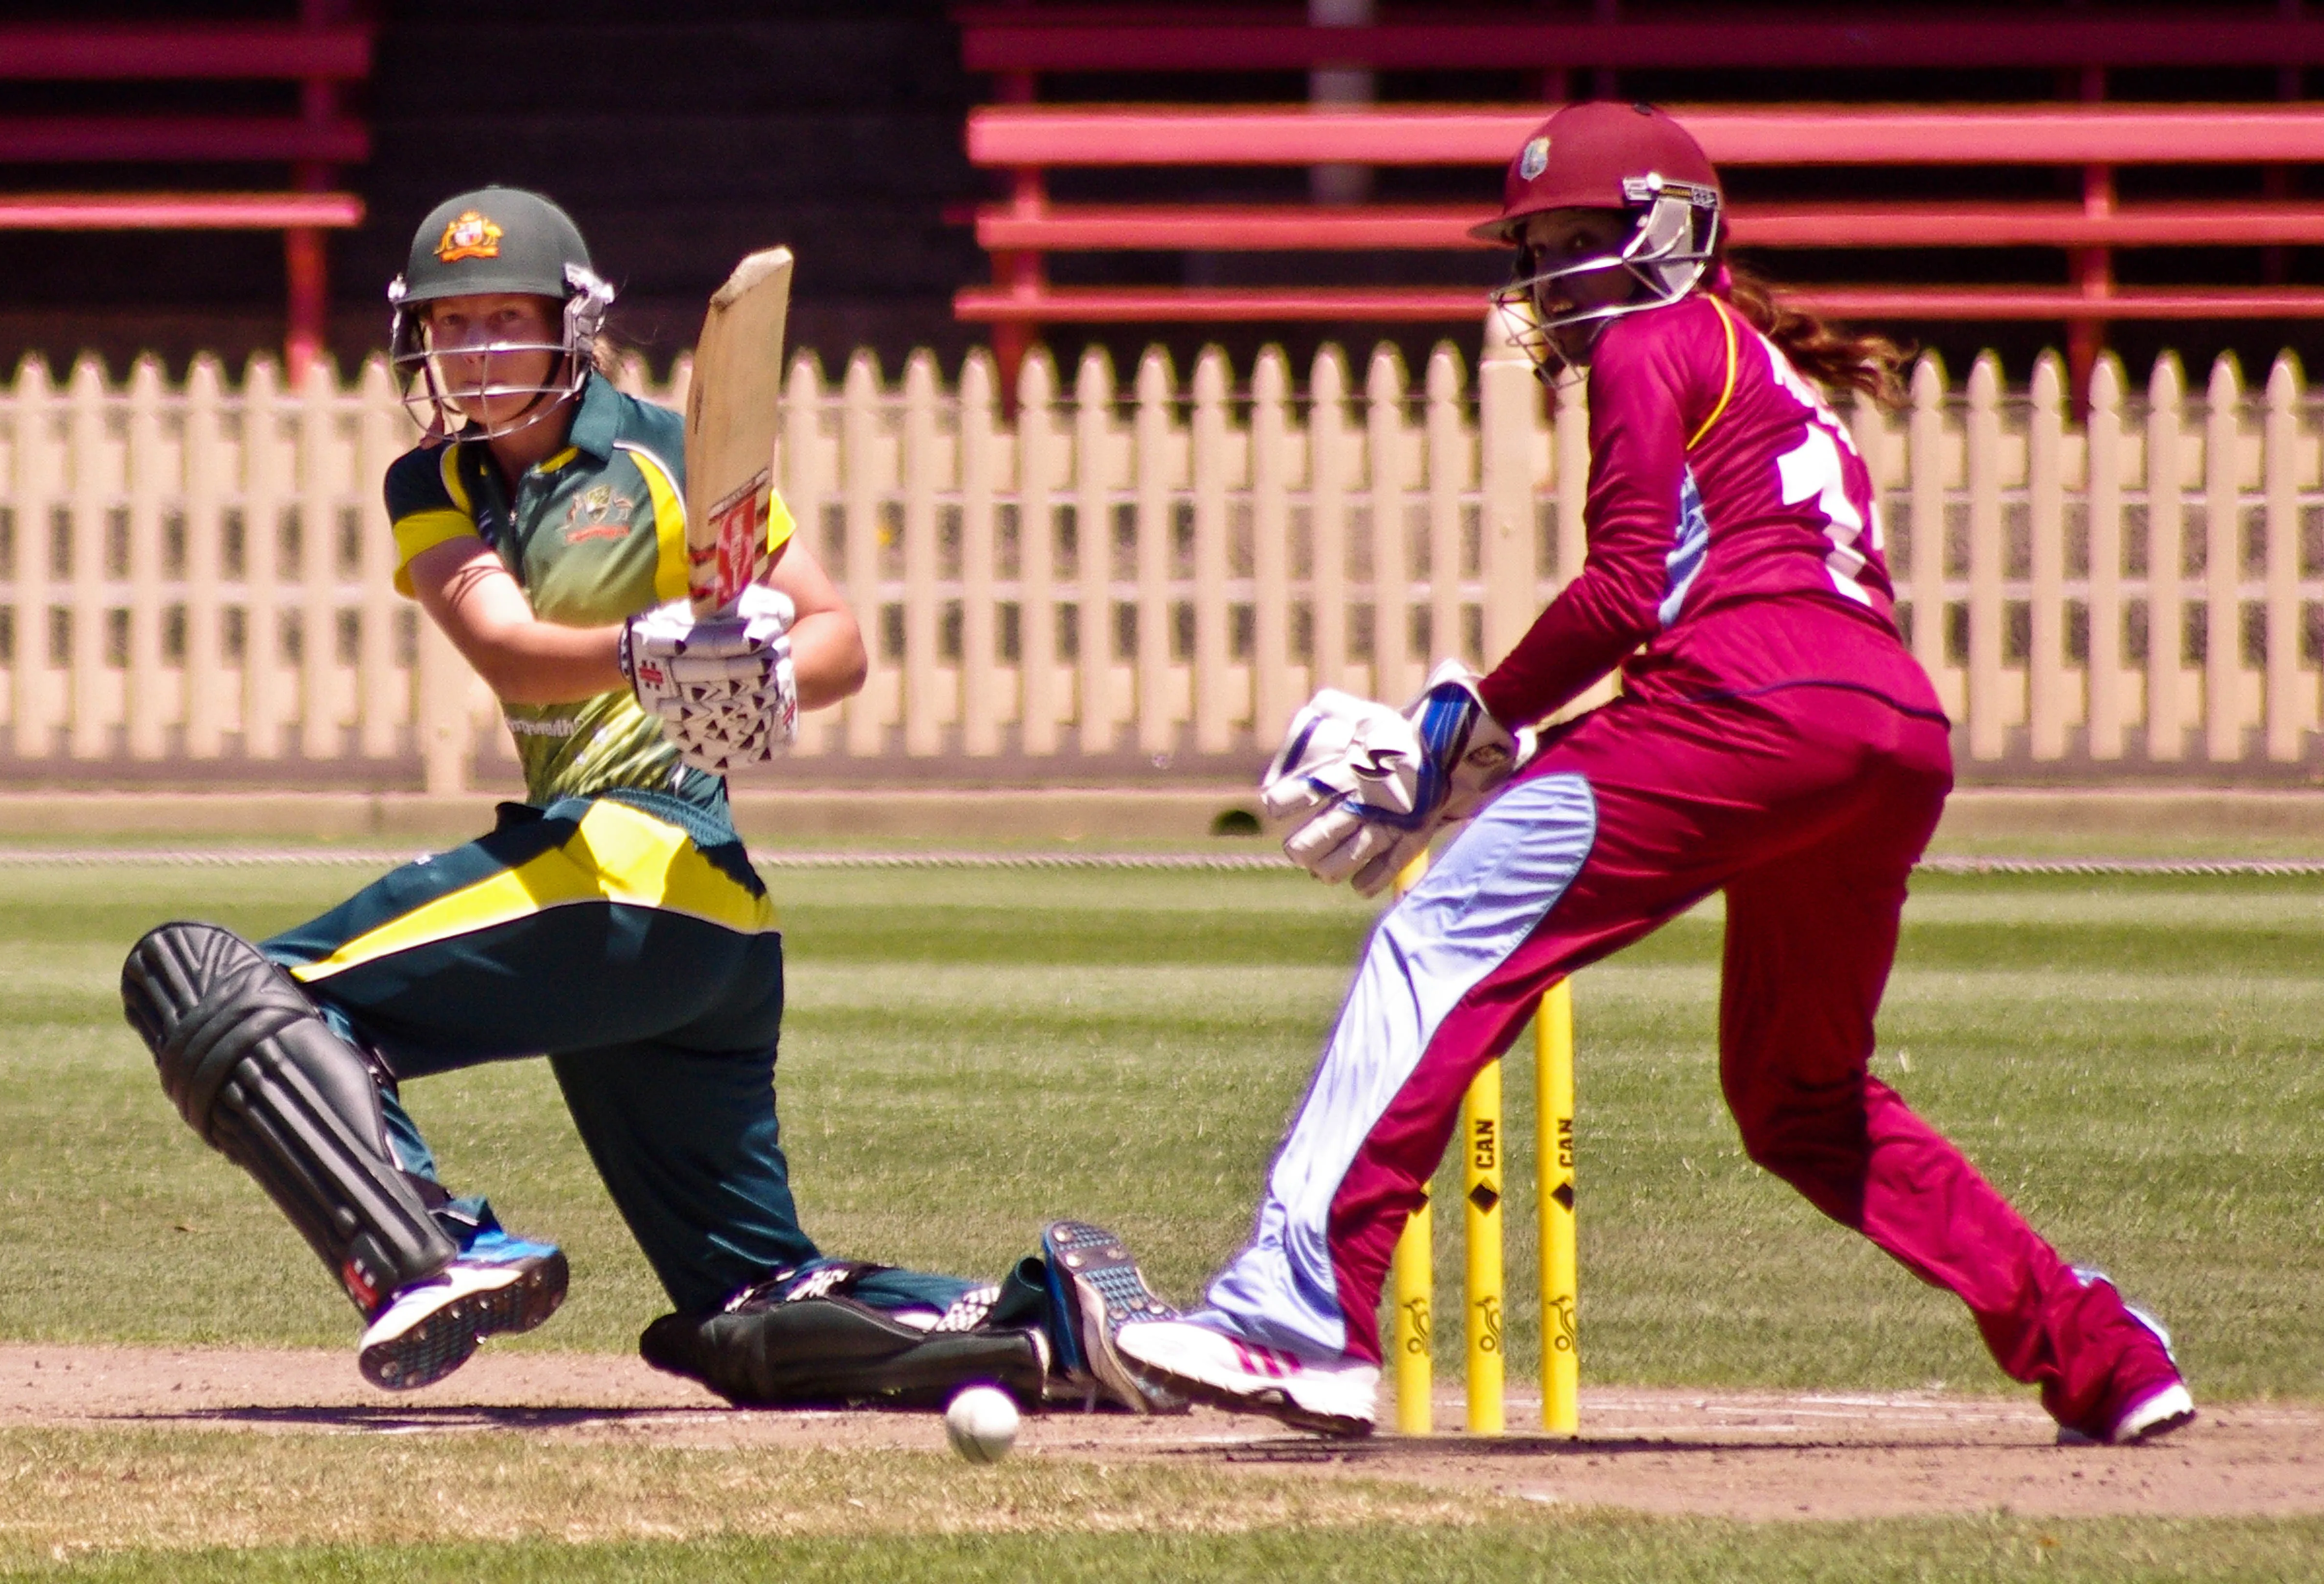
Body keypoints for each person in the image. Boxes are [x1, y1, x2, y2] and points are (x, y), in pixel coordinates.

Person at [1115, 102, 2195, 1448]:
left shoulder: (1647, 340)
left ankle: (1297, 1320)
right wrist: (1499, 734)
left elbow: (1628, 590)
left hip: (1744, 703)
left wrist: (1472, 718)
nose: (1553, 281)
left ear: (1671, 234)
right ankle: (2099, 1353)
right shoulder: (1763, 364)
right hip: (1890, 731)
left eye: (1581, 241)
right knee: (1801, 1099)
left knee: (1437, 939)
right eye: (1538, 250)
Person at [119, 186, 1174, 1416]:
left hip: (640, 863)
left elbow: (841, 641)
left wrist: (770, 670)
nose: (475, 353)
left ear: (573, 323)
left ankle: (434, 1246)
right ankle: (1050, 1328)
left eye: (505, 320)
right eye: (451, 328)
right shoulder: (433, 483)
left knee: (226, 990)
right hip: (676, 936)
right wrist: (651, 648)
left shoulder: (672, 452)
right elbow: (505, 644)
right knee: (740, 1312)